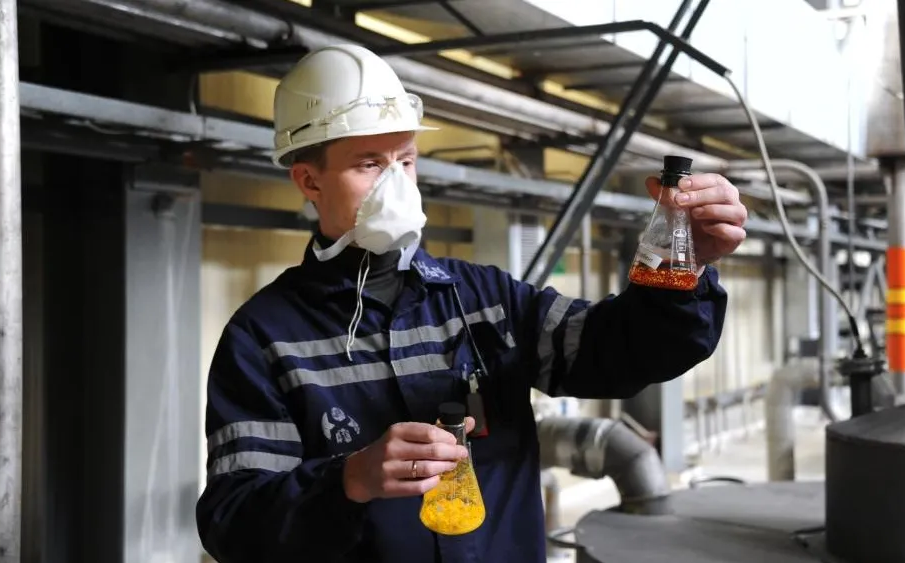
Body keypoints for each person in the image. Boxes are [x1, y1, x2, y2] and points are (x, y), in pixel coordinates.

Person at [196, 44, 747, 563]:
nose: (396, 183)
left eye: (405, 160)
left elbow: (621, 350)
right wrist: (348, 481)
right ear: (309, 180)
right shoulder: (264, 337)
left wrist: (683, 268)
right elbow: (234, 520)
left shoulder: (487, 301)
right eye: (369, 164)